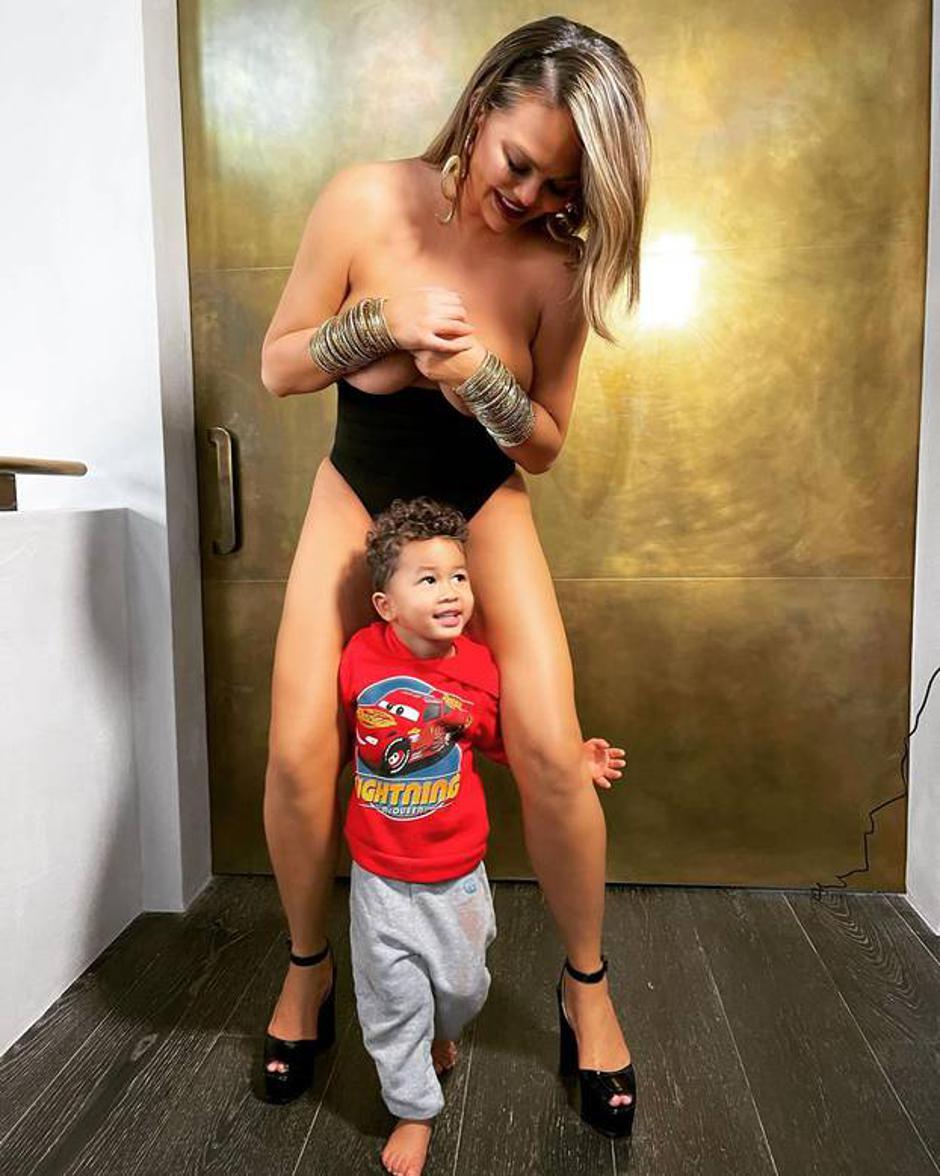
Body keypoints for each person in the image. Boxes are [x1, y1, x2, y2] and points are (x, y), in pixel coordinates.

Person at [258, 13, 652, 1142]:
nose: (528, 197)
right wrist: (375, 322)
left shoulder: (557, 270)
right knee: (299, 752)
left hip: (482, 501)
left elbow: (545, 443)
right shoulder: (362, 200)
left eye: (559, 185)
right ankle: (308, 967)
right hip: (359, 489)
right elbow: (280, 364)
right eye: (517, 163)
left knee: (550, 751)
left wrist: (480, 376)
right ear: (479, 112)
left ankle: (586, 987)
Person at [320, 496, 624, 1176]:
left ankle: (442, 1031)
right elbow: (338, 736)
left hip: (457, 874)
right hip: (379, 874)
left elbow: (508, 742)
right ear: (385, 604)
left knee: (463, 988)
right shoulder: (360, 656)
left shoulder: (478, 670)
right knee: (392, 1001)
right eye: (428, 579)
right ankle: (414, 1109)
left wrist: (571, 760)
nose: (450, 591)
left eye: (458, 576)